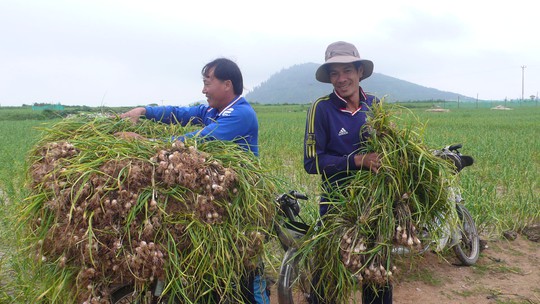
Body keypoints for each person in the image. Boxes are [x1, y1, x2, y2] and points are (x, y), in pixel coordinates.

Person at [119, 57, 269, 304]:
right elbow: (179, 113)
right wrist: (144, 111)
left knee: (248, 279)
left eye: (207, 83)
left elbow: (199, 139)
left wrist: (144, 143)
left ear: (227, 84)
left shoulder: (240, 114)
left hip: (240, 207)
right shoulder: (211, 110)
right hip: (216, 201)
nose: (203, 89)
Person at [303, 41, 392, 304]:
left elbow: (391, 150)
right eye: (334, 73)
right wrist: (358, 160)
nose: (341, 79)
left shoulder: (376, 107)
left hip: (375, 207)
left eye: (347, 71)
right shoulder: (321, 109)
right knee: (327, 281)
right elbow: (311, 162)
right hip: (336, 211)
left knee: (377, 278)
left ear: (360, 72)